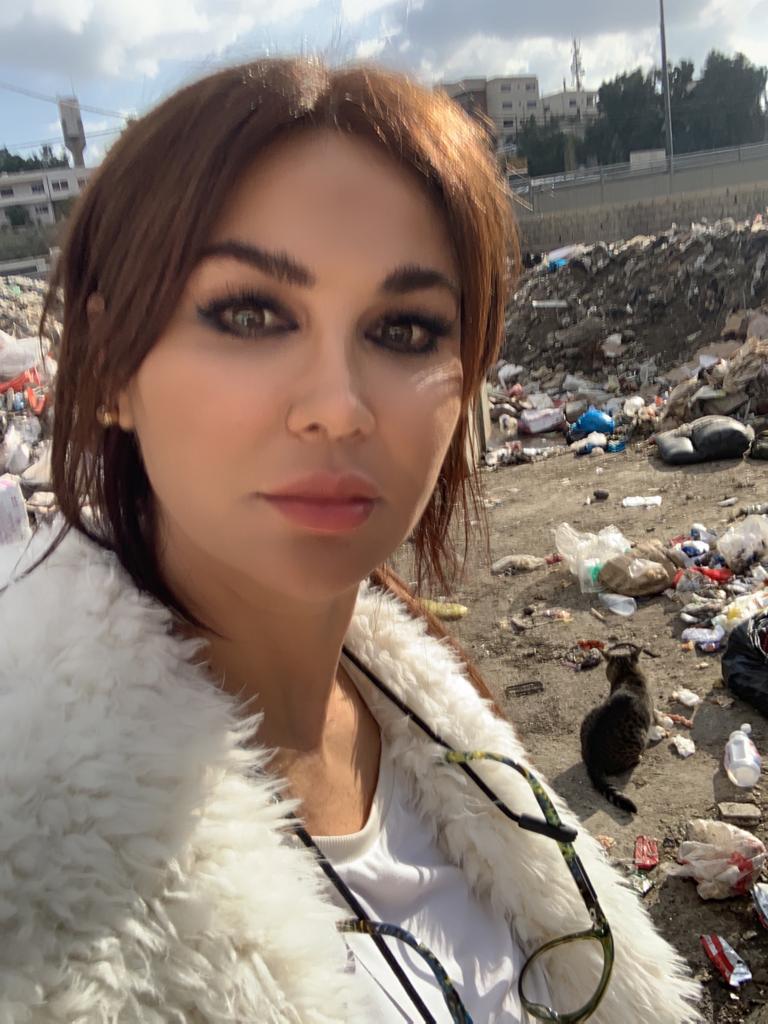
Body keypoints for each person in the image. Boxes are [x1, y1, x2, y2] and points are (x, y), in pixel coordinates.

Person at [0, 58, 701, 1024]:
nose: (337, 406)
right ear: (111, 365)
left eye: (405, 329)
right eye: (250, 314)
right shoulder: (30, 883)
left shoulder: (439, 725)